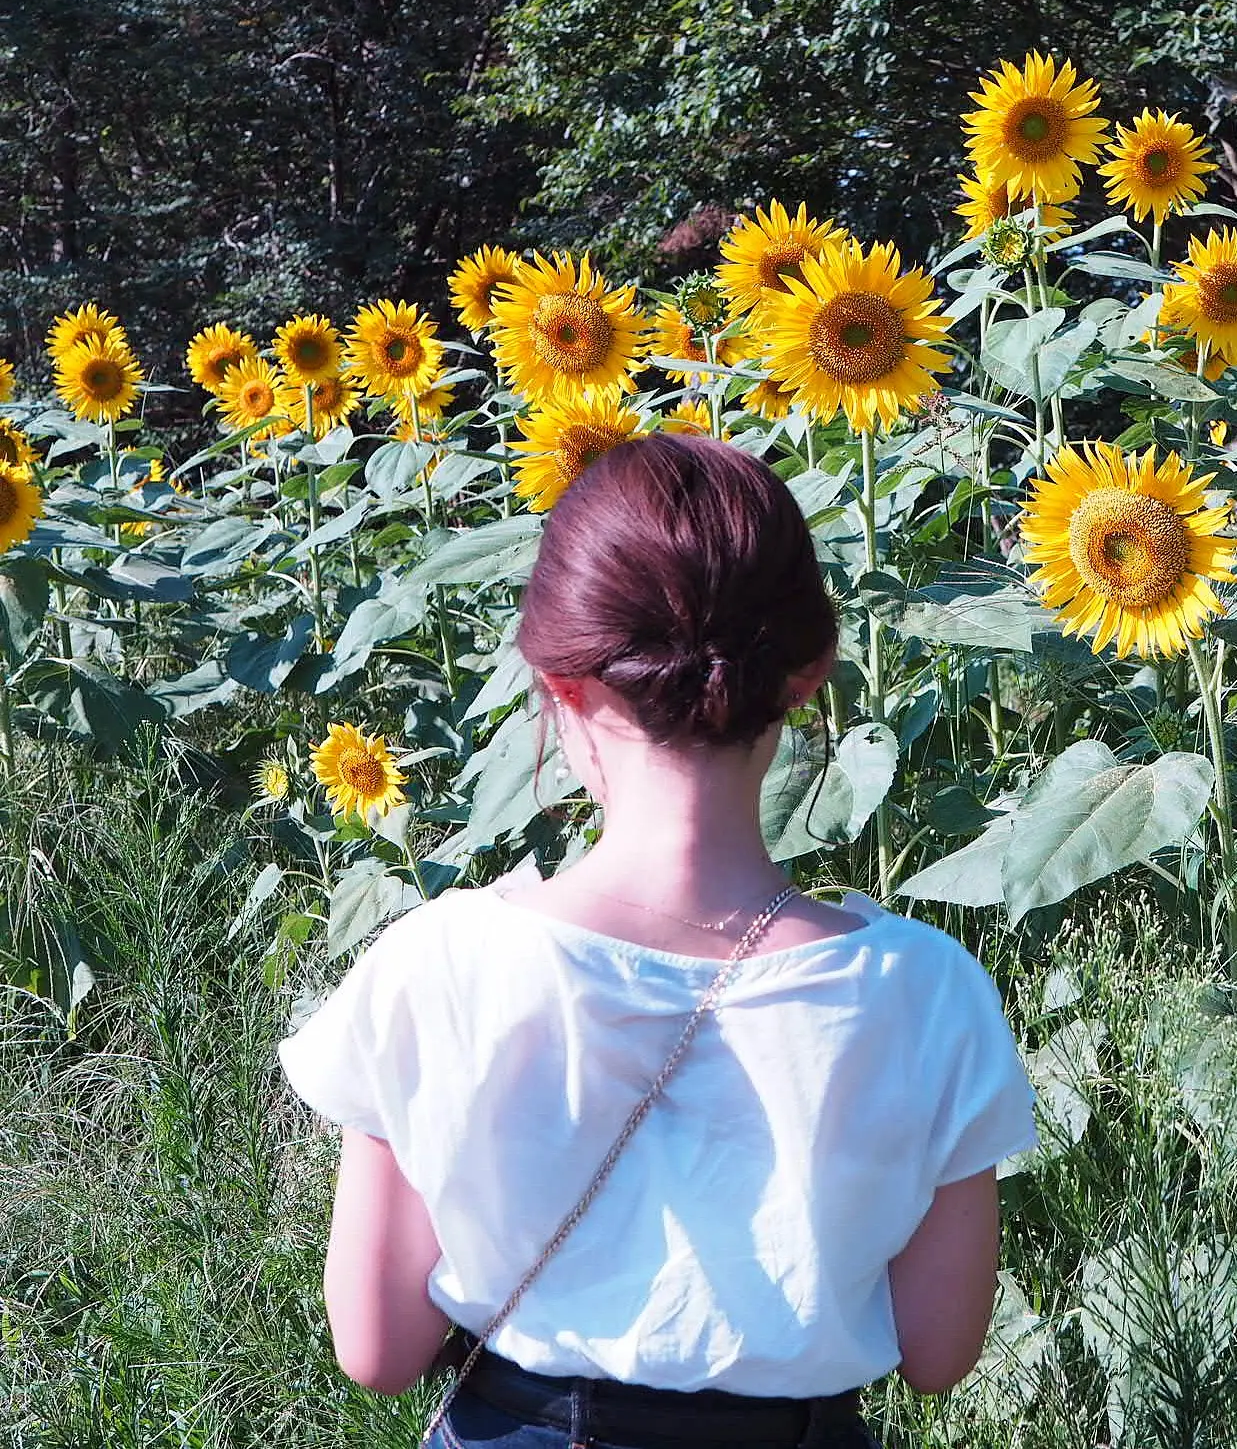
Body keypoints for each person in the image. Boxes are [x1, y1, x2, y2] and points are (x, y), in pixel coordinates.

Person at [276, 433, 1040, 1449]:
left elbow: (375, 1351)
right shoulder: (924, 990)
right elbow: (940, 1352)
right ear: (809, 672)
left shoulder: (437, 963)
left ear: (560, 677)